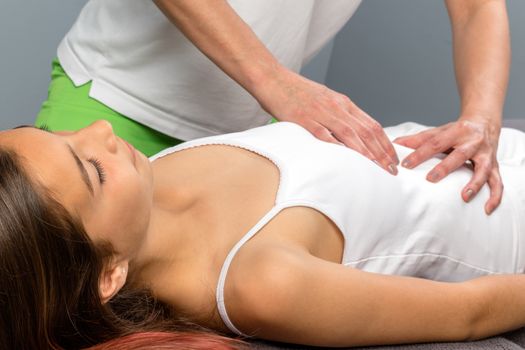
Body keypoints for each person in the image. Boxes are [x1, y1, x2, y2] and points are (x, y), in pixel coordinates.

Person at [2, 119, 525, 349]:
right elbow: (470, 313)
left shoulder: (149, 180)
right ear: (107, 274)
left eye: (56, 133)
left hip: (486, 153)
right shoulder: (261, 284)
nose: (101, 131)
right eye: (92, 169)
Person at [35, 0, 510, 214]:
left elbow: (476, 7)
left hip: (247, 134)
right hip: (114, 101)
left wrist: (483, 120)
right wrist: (275, 82)